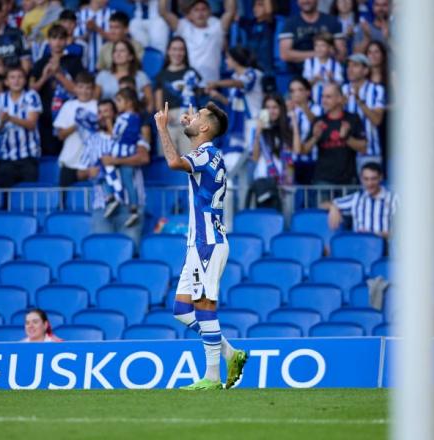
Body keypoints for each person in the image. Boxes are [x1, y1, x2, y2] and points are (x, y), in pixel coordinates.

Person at [154, 100, 247, 390]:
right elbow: (194, 149)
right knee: (183, 310)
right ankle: (232, 353)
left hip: (207, 242)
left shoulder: (205, 155)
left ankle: (211, 377)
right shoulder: (210, 153)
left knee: (204, 305)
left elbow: (173, 162)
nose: (191, 117)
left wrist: (162, 129)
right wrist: (188, 127)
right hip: (200, 242)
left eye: (197, 117)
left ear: (205, 127)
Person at [79, 99, 149, 246]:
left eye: (107, 111)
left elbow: (144, 158)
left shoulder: (132, 135)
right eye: (100, 112)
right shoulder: (92, 140)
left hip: (131, 207)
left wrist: (115, 161)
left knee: (130, 253)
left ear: (116, 114)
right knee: (102, 253)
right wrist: (88, 172)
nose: (103, 116)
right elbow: (80, 172)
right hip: (102, 206)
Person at [205, 46, 263, 179]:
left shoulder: (253, 74)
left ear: (236, 60)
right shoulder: (234, 77)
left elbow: (240, 84)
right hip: (238, 125)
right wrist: (217, 96)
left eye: (228, 59)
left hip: (253, 123)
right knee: (235, 161)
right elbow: (232, 103)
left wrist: (217, 84)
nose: (226, 62)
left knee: (251, 159)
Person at [30, 24, 84, 156]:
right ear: (48, 40)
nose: (57, 42)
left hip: (69, 119)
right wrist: (45, 77)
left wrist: (59, 74)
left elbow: (79, 91)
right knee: (49, 156)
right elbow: (31, 91)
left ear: (66, 40)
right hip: (46, 118)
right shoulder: (40, 63)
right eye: (54, 38)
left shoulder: (74, 62)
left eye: (61, 38)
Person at [297, 83, 366, 186]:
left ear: (339, 99)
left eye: (328, 97)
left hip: (348, 180)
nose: (324, 100)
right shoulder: (318, 121)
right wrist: (315, 137)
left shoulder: (353, 119)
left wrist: (346, 137)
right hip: (323, 180)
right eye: (323, 96)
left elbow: (363, 148)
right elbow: (303, 151)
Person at [161, 0, 236, 84]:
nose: (200, 13)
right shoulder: (183, 26)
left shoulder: (217, 27)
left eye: (203, 9)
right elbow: (163, 12)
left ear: (209, 12)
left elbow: (230, 12)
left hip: (211, 85)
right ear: (189, 15)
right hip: (186, 84)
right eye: (196, 10)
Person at [0, 66, 42, 187]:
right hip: (7, 158)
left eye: (20, 77)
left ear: (25, 80)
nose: (16, 80)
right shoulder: (0, 100)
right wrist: (2, 122)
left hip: (28, 157)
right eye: (12, 77)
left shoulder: (31, 96)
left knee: (28, 198)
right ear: (6, 82)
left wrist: (10, 118)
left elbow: (31, 124)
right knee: (7, 199)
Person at [154, 36, 202, 155]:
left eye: (181, 49)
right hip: (168, 120)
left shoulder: (192, 72)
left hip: (189, 120)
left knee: (190, 160)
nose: (177, 53)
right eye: (174, 49)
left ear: (185, 52)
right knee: (168, 161)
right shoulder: (161, 75)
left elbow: (199, 99)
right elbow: (158, 104)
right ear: (168, 51)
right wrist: (165, 116)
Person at [325, 162, 397, 238]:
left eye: (373, 179)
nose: (369, 183)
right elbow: (322, 204)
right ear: (361, 179)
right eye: (366, 179)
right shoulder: (356, 198)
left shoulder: (394, 200)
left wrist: (374, 234)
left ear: (380, 178)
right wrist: (332, 208)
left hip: (385, 247)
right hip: (360, 247)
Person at [104, 87, 142, 227]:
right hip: (130, 151)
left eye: (119, 101)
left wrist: (109, 122)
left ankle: (113, 197)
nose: (117, 104)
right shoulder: (137, 117)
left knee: (107, 171)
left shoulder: (123, 118)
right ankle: (133, 209)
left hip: (120, 152)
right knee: (128, 181)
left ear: (129, 102)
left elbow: (115, 135)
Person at [248, 94, 293, 209]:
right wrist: (258, 133)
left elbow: (291, 157)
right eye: (268, 108)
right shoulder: (257, 130)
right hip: (264, 181)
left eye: (275, 107)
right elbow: (255, 157)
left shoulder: (287, 128)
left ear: (281, 109)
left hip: (284, 182)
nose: (271, 111)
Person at [54, 71, 98, 188]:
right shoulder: (68, 106)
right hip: (69, 160)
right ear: (75, 88)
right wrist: (77, 125)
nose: (84, 91)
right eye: (81, 87)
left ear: (93, 89)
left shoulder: (98, 106)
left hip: (93, 162)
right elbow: (60, 135)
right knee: (63, 199)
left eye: (88, 88)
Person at [342, 53, 385, 169]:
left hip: (370, 152)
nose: (350, 69)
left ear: (366, 70)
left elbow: (377, 120)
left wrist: (359, 101)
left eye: (355, 66)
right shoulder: (342, 90)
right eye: (348, 66)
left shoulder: (377, 90)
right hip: (345, 153)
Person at [278, 0, 345, 74]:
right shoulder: (290, 23)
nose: (306, 1)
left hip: (328, 73)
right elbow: (285, 54)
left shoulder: (332, 21)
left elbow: (341, 53)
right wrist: (319, 53)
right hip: (298, 75)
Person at [95, 39, 153, 112]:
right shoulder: (102, 76)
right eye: (115, 51)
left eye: (122, 51)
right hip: (108, 117)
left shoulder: (141, 76)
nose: (118, 54)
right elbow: (95, 101)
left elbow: (150, 103)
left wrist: (145, 120)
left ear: (130, 56)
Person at [287, 76, 322, 185]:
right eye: (293, 91)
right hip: (292, 161)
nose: (296, 93)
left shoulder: (317, 109)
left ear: (308, 92)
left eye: (300, 90)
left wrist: (304, 106)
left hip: (313, 160)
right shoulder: (288, 111)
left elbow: (316, 124)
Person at [233, 0, 275, 77]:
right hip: (250, 69)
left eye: (260, 5)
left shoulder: (269, 23)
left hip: (266, 70)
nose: (256, 8)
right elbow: (233, 14)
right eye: (254, 5)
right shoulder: (249, 23)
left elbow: (269, 12)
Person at [303, 32, 344, 107]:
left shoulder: (336, 65)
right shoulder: (309, 62)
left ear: (330, 48)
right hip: (312, 103)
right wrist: (315, 79)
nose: (319, 48)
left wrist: (331, 79)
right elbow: (304, 85)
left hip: (330, 105)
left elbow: (339, 86)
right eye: (316, 45)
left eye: (323, 45)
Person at [75, 0, 114, 72]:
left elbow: (116, 38)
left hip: (107, 64)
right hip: (85, 65)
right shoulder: (79, 15)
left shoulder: (112, 14)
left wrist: (96, 28)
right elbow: (74, 39)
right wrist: (88, 31)